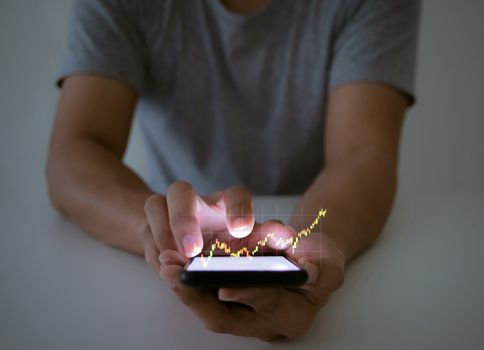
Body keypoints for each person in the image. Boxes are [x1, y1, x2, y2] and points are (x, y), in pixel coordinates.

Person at [46, 0, 420, 341]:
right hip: (173, 252)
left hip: (302, 231)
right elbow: (73, 155)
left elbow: (362, 155)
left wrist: (317, 249)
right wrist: (162, 233)